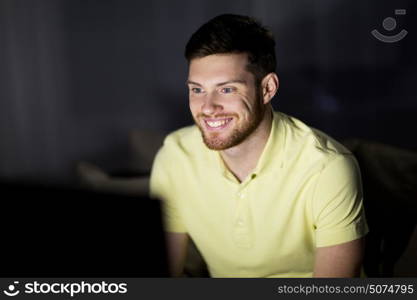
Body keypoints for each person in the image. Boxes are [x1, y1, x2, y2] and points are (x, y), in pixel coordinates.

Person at [150, 14, 368, 277]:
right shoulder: (175, 157)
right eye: (197, 90)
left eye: (227, 89)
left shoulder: (327, 167)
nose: (207, 107)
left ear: (267, 88)